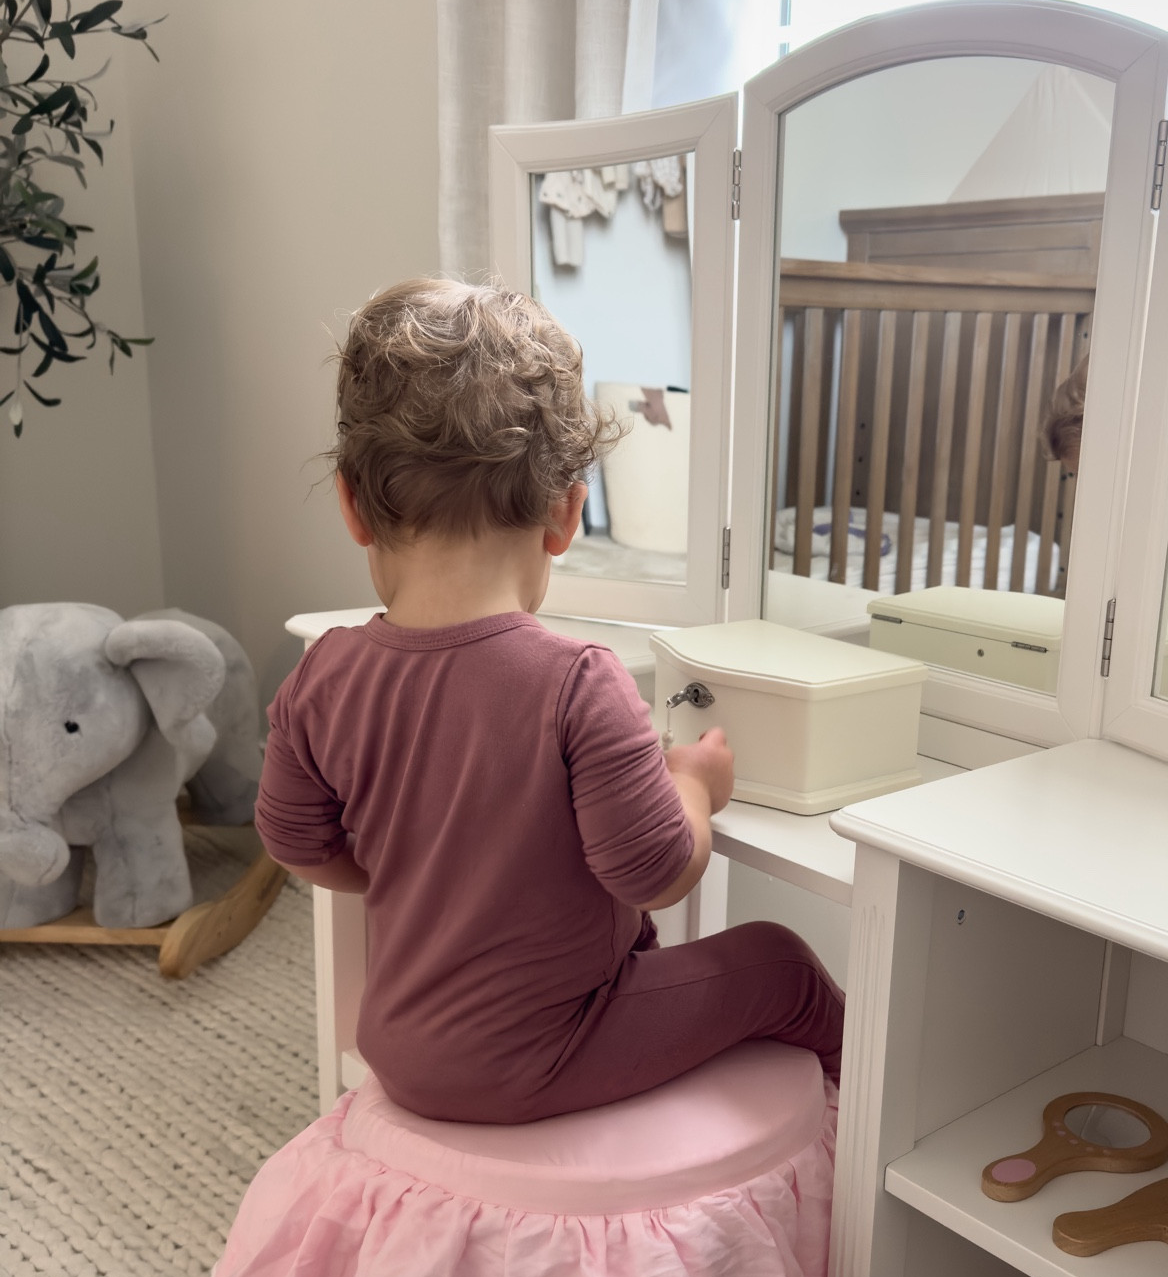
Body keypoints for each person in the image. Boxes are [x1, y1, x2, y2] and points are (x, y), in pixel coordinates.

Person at [255, 279, 843, 1124]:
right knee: (781, 966)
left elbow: (297, 845)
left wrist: (420, 869)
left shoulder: (322, 676)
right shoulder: (578, 681)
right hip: (549, 1054)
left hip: (398, 1048)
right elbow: (658, 874)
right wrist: (694, 785)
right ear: (566, 514)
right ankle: (855, 1144)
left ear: (352, 505)